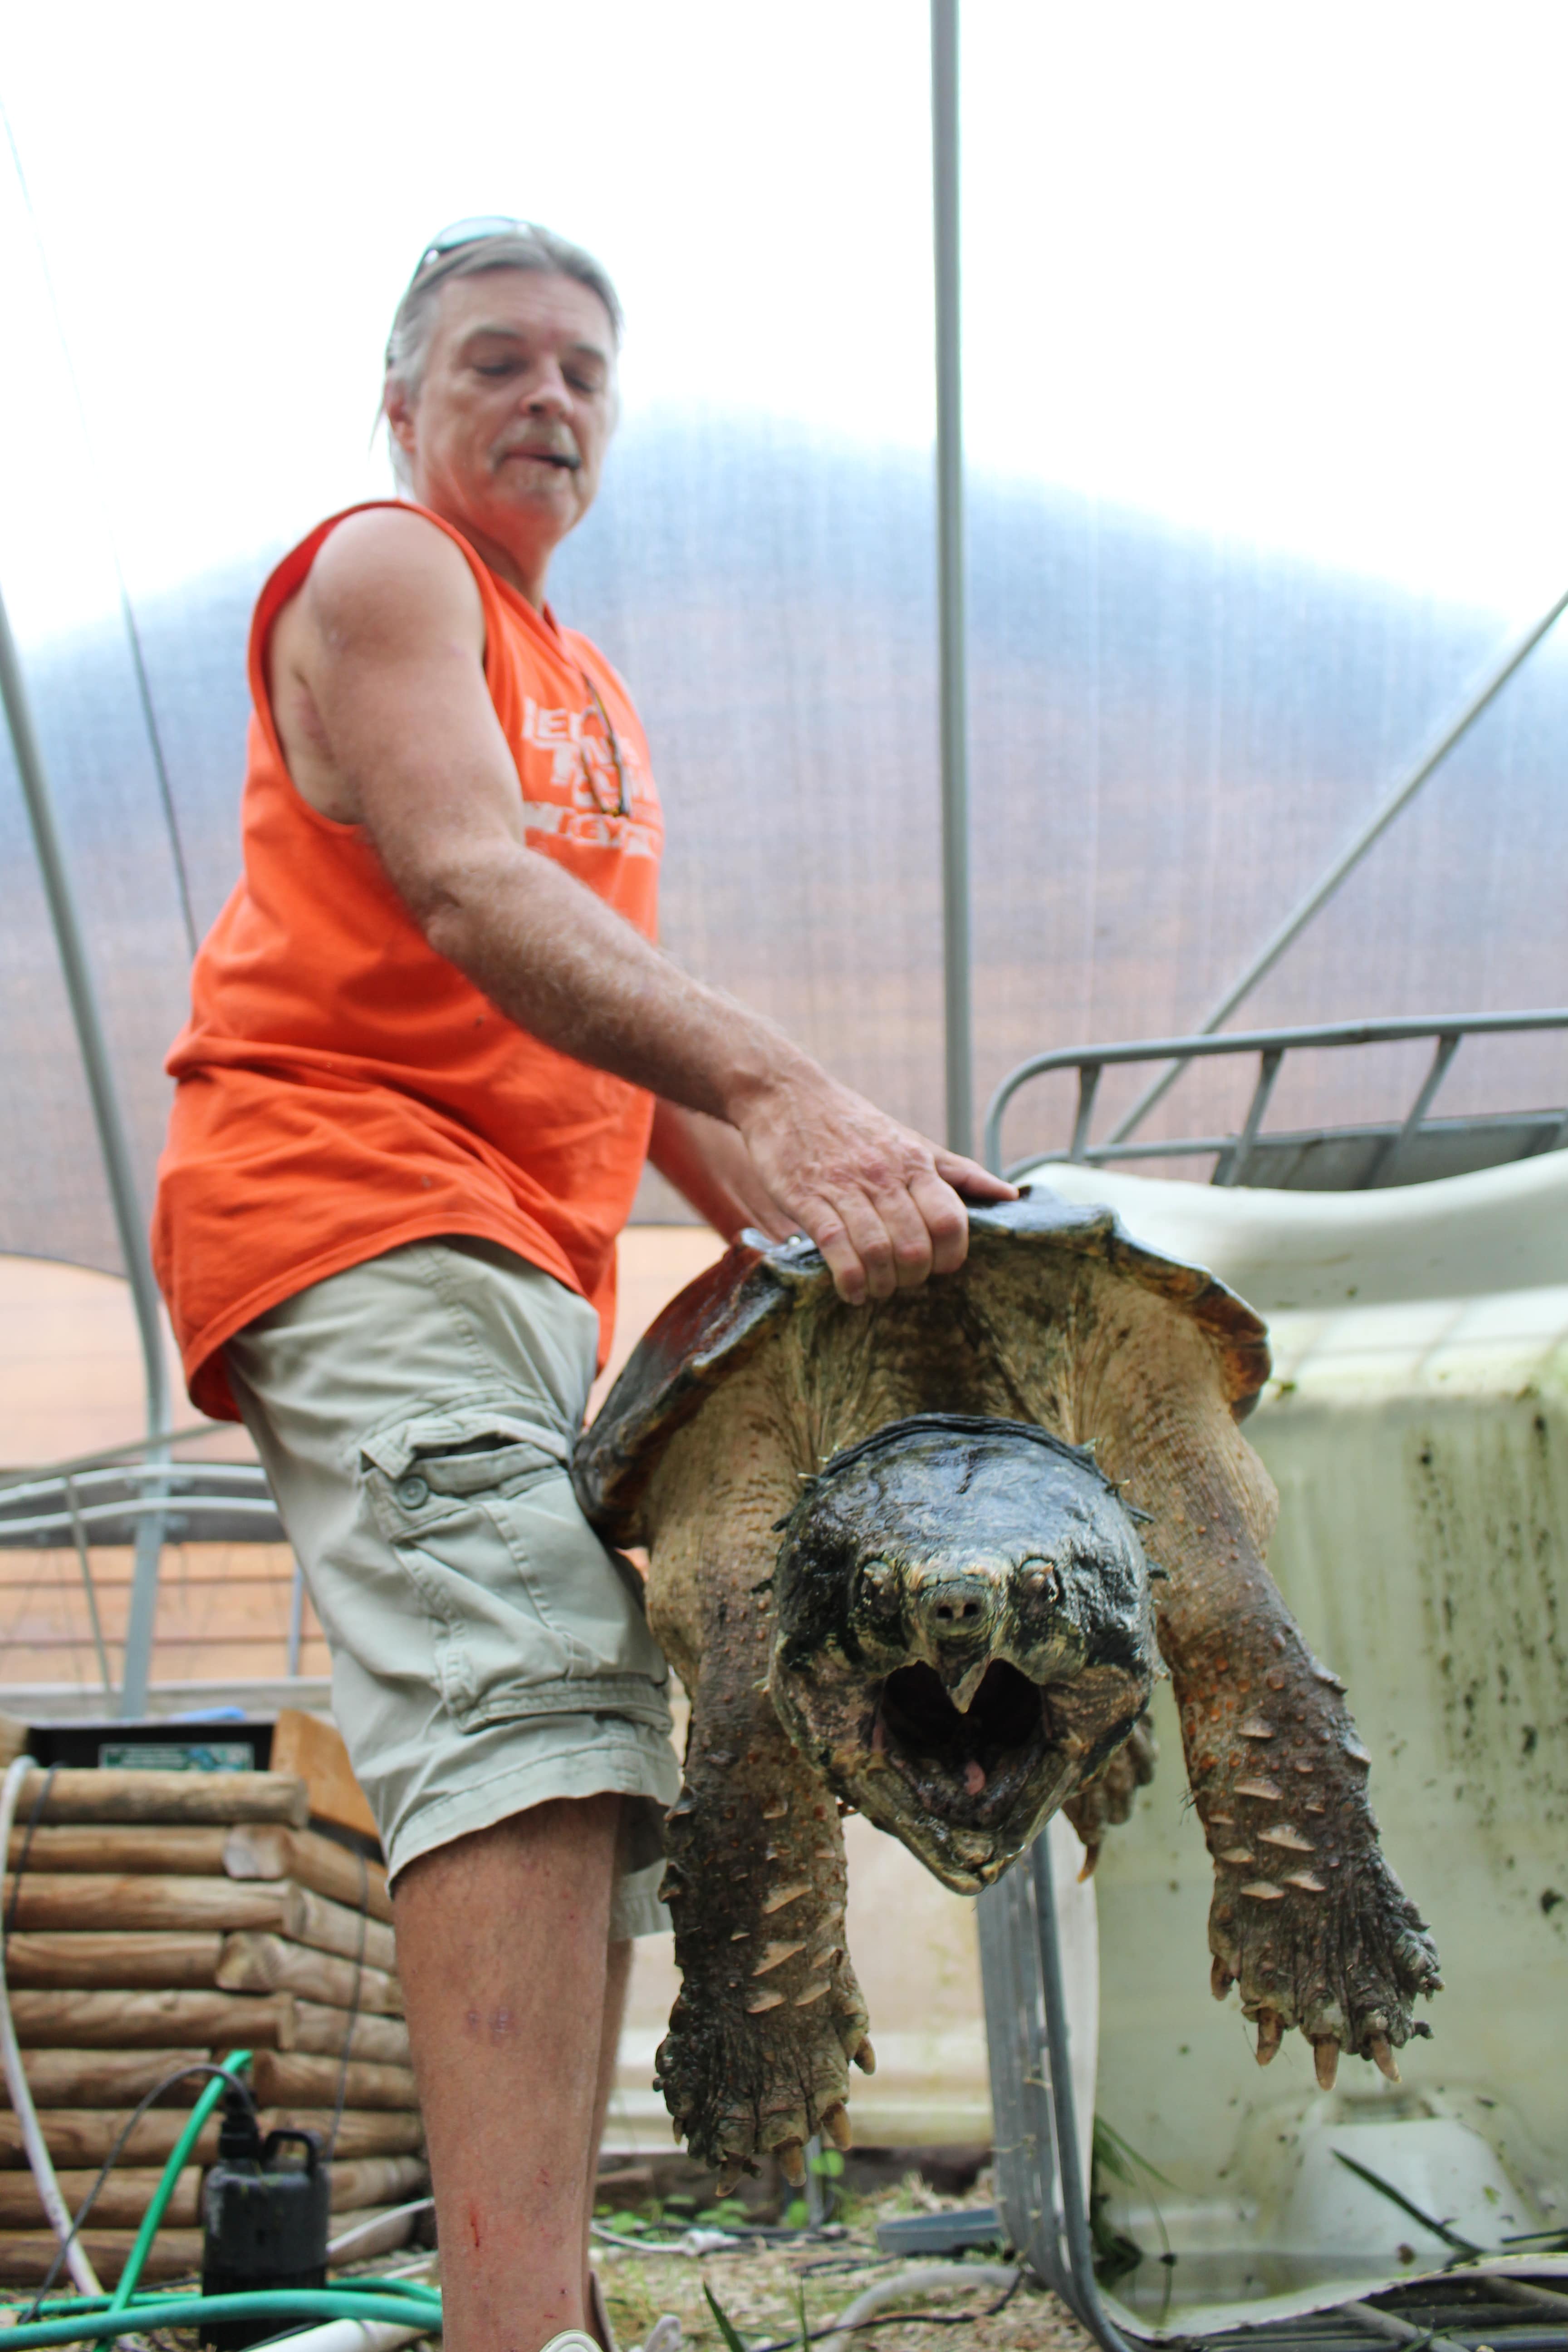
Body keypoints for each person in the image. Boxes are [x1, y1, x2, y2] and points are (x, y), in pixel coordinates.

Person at [152, 219, 1013, 2352]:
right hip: (349, 1195)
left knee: (596, 1754)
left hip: (514, 1253)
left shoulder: (589, 685)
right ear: (402, 403)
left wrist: (832, 1218)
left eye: (583, 373)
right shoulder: (384, 572)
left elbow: (613, 1066)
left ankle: (520, 2312)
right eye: (495, 361)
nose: (547, 398)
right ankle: (520, 2338)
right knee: (528, 1698)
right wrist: (793, 1086)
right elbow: (461, 883)